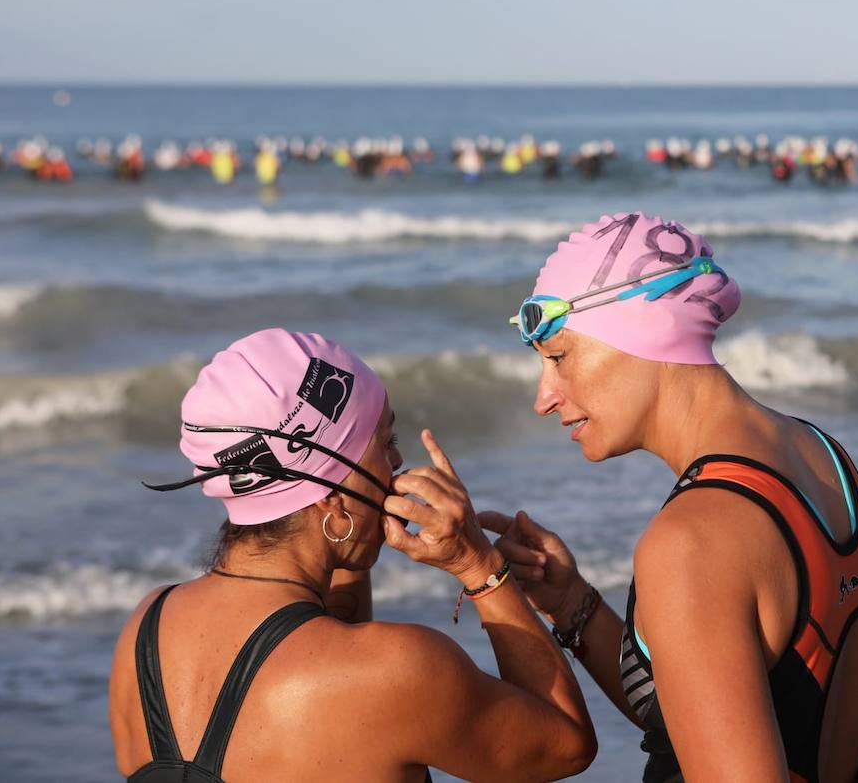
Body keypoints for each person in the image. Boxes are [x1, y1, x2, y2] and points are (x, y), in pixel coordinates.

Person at [485, 214, 858, 782]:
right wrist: (571, 601)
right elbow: (713, 719)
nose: (544, 397)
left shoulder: (691, 541)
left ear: (639, 332)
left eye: (558, 357)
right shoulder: (823, 458)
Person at [108, 328, 595, 782]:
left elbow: (320, 641)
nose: (399, 465)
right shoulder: (396, 668)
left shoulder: (146, 627)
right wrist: (480, 567)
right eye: (387, 444)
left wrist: (349, 539)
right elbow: (565, 746)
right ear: (330, 497)